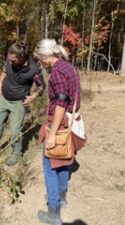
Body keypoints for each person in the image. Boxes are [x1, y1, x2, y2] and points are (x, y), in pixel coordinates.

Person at [34, 39, 81, 225]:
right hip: (69, 120)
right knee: (62, 160)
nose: (39, 63)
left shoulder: (57, 73)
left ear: (46, 57)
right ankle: (61, 197)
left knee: (49, 165)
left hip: (59, 123)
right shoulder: (68, 67)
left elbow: (61, 101)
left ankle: (53, 213)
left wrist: (52, 134)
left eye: (39, 60)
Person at [0, 43, 46, 166]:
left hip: (18, 103)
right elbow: (5, 71)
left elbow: (41, 86)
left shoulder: (34, 68)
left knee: (15, 131)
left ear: (21, 57)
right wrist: (0, 84)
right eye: (9, 59)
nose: (10, 62)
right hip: (4, 99)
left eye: (13, 60)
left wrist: (32, 97)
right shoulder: (10, 62)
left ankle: (15, 154)